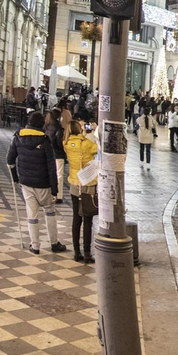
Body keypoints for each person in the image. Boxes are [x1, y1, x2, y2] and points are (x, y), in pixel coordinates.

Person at [7, 115, 65, 254]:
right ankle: (54, 243)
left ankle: (35, 246)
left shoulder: (18, 137)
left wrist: (15, 178)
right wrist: (55, 190)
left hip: (26, 183)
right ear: (42, 125)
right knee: (50, 211)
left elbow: (10, 160)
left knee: (32, 214)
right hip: (43, 183)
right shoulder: (45, 141)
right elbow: (51, 167)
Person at [64, 110, 98, 263]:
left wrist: (82, 132)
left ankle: (76, 252)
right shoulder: (86, 144)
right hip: (87, 184)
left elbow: (75, 143)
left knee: (76, 218)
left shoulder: (66, 144)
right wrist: (93, 130)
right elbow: (97, 148)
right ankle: (87, 253)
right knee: (88, 219)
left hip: (73, 183)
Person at [136, 104, 157, 171]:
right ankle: (148, 164)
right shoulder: (150, 118)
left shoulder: (140, 119)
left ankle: (141, 162)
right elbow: (155, 123)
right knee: (148, 150)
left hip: (142, 136)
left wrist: (143, 115)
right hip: (149, 136)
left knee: (141, 149)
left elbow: (137, 121)